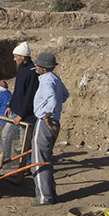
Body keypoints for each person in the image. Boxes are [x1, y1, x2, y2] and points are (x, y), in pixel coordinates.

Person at [30, 52, 69, 206]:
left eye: (37, 65)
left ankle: (44, 198)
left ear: (43, 68)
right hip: (54, 122)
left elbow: (52, 100)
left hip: (44, 122)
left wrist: (47, 115)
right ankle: (51, 193)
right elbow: (65, 95)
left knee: (39, 160)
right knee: (46, 158)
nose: (36, 66)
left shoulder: (46, 81)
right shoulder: (55, 78)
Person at [2, 42, 40, 167]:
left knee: (25, 142)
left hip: (26, 114)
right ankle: (6, 161)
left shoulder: (32, 72)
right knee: (5, 135)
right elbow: (17, 90)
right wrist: (10, 105)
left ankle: (27, 165)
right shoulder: (21, 68)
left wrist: (21, 115)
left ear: (23, 57)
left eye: (16, 56)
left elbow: (30, 96)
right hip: (15, 110)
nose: (14, 59)